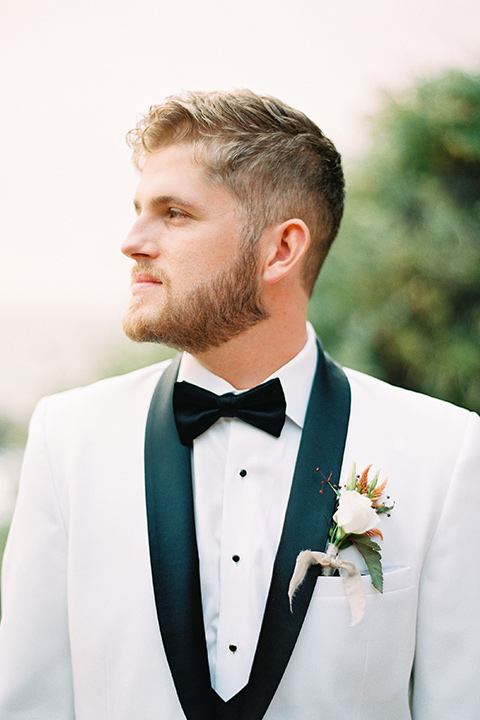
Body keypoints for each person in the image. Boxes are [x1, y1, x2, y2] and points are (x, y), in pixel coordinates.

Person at [0, 90, 479, 720]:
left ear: (280, 250)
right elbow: (29, 702)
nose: (132, 241)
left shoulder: (444, 452)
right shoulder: (67, 437)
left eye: (173, 214)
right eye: (139, 210)